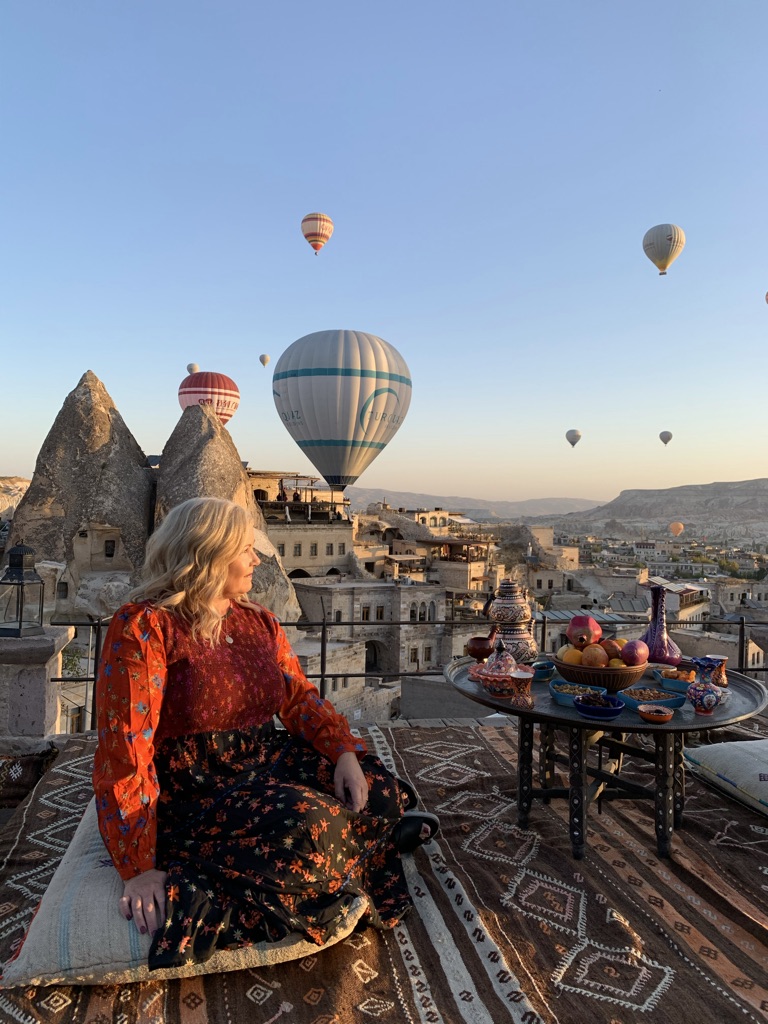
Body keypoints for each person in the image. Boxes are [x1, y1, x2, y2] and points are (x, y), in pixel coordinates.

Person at [93, 497, 438, 970]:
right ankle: (367, 845)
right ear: (209, 554)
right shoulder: (146, 626)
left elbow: (297, 698)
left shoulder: (258, 621)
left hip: (262, 757)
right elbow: (125, 745)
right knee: (309, 827)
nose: (257, 559)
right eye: (245, 550)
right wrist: (137, 867)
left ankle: (363, 838)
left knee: (378, 789)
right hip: (200, 784)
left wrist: (342, 753)